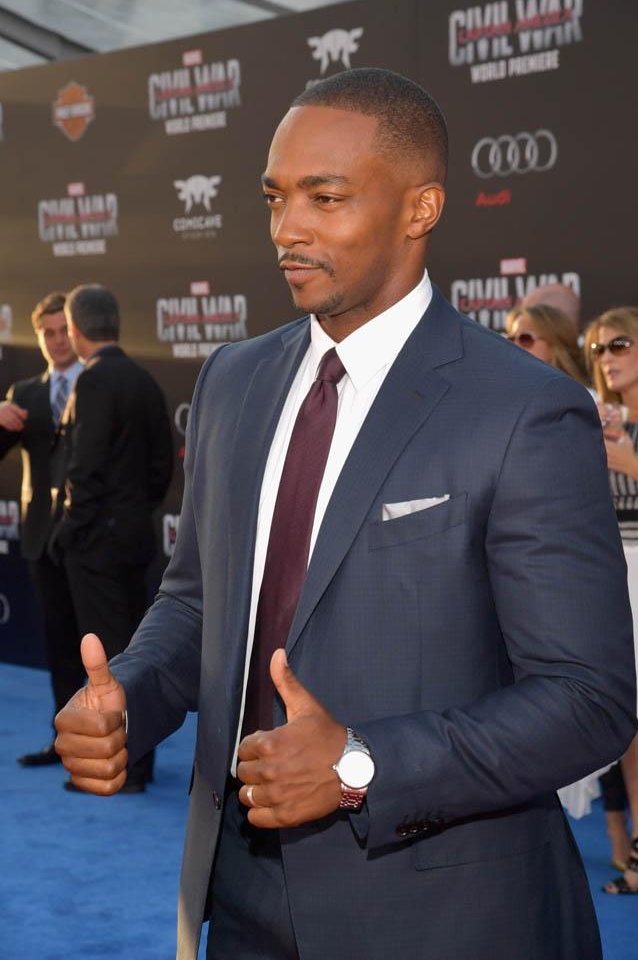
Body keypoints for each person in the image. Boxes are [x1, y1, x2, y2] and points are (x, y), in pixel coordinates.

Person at [55, 69, 636, 960]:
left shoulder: (522, 409)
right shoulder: (233, 381)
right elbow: (199, 603)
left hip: (443, 917)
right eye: (275, 198)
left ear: (420, 208)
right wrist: (131, 698)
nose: (288, 228)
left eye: (325, 198)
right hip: (238, 894)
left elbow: (588, 699)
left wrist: (359, 765)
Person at [50, 284, 173, 792]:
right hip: (137, 536)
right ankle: (137, 762)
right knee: (133, 649)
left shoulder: (95, 379)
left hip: (97, 543)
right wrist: (135, 511)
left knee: (109, 657)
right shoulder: (144, 378)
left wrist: (71, 530)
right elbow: (163, 467)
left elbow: (86, 466)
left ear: (76, 329)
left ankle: (125, 765)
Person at [0, 290, 83, 765]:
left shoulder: (100, 382)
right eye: (47, 333)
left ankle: (120, 743)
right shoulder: (26, 393)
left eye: (63, 330)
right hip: (40, 539)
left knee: (108, 647)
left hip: (92, 540)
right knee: (59, 646)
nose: (56, 340)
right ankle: (65, 740)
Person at [585, 306, 638, 894]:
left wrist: (630, 464)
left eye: (619, 344)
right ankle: (629, 853)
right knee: (623, 724)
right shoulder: (594, 420)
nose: (606, 358)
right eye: (597, 348)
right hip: (611, 580)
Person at [506, 303, 587, 383]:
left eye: (525, 338)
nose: (515, 345)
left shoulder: (579, 391)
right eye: (511, 339)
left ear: (554, 345)